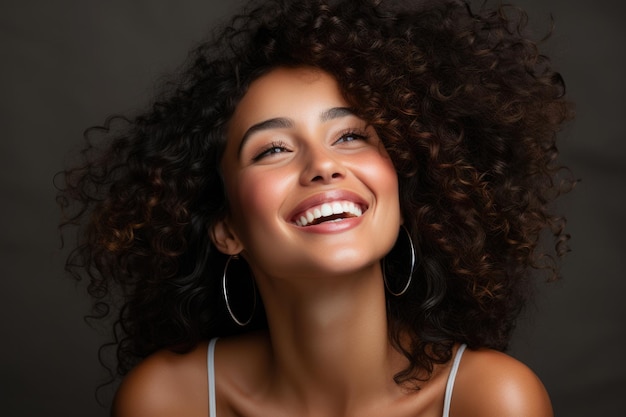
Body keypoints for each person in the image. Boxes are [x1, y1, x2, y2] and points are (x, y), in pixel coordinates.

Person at [57, 0, 574, 415]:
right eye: (273, 149)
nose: (323, 166)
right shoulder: (168, 401)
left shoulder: (490, 401)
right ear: (227, 228)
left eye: (350, 135)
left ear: (403, 187)